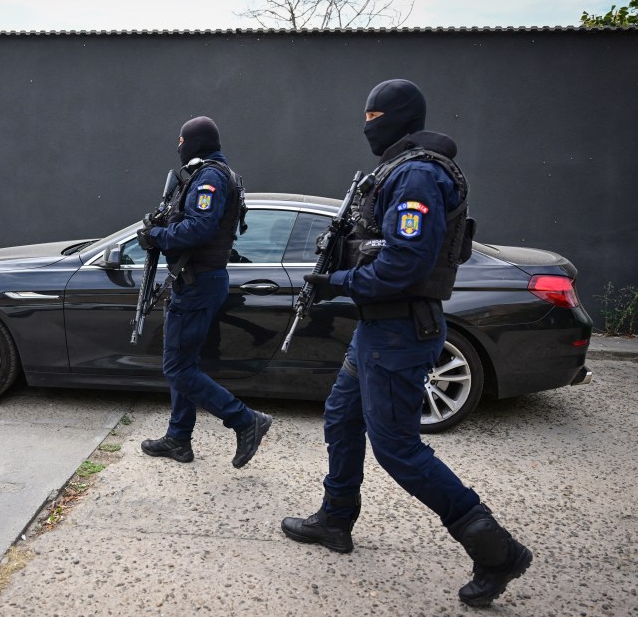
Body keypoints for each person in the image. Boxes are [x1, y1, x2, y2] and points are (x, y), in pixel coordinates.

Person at [280, 80, 532, 607]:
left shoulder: (417, 174)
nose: (365, 125)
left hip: (398, 331)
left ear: (396, 118)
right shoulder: (396, 170)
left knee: (397, 448)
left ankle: (495, 550)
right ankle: (336, 518)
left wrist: (341, 284)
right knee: (340, 416)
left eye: (373, 115)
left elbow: (405, 262)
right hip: (377, 329)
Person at [138, 115, 271, 468]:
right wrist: (163, 223)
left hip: (198, 283)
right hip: (196, 281)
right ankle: (179, 439)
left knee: (177, 368)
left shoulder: (210, 176)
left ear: (194, 142)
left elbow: (199, 227)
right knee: (185, 363)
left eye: (182, 142)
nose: (179, 148)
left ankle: (245, 420)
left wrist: (157, 237)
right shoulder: (207, 174)